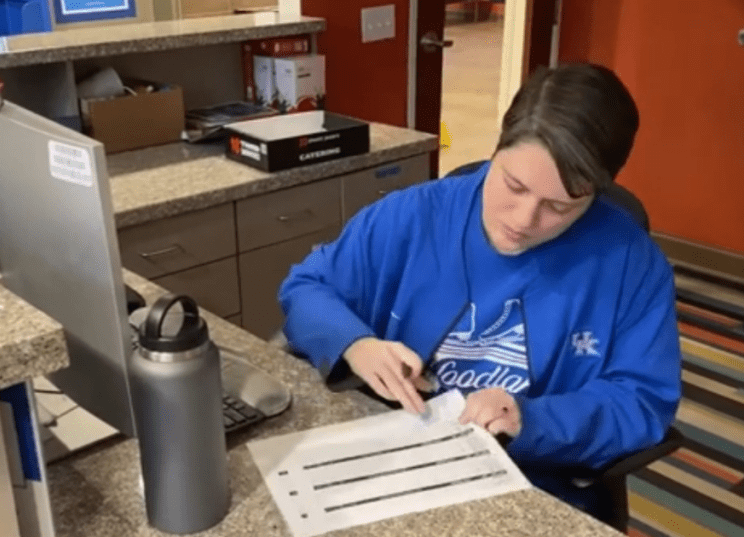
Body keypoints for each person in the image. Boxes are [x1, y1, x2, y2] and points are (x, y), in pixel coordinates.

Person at [277, 62, 682, 521]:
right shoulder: (414, 216)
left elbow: (642, 400)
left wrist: (530, 418)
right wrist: (356, 344)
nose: (524, 220)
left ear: (595, 194)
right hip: (396, 460)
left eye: (559, 206)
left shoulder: (630, 264)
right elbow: (307, 287)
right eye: (514, 185)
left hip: (531, 484)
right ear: (497, 148)